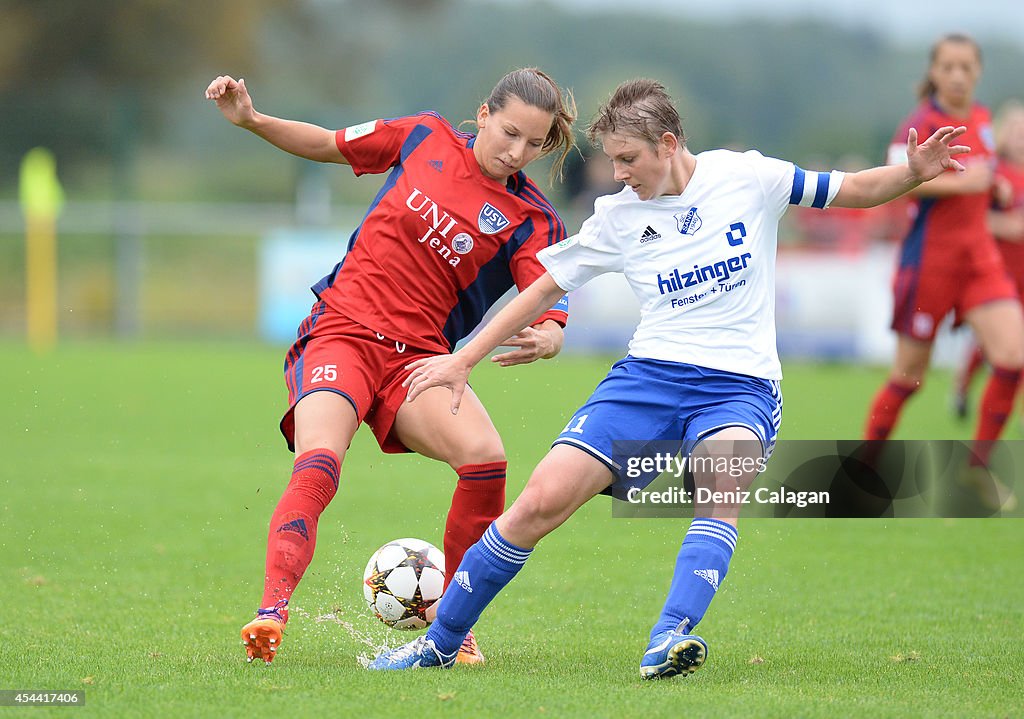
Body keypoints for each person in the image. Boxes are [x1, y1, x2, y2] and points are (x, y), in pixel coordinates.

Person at [364, 78, 970, 677]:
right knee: (538, 502)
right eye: (611, 162)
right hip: (647, 381)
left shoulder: (747, 177)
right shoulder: (619, 218)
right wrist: (463, 359)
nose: (618, 174)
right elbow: (544, 286)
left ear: (669, 143)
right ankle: (439, 644)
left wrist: (914, 172)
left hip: (741, 387)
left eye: (628, 160)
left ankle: (668, 638)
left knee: (719, 493)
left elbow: (854, 189)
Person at [204, 68, 577, 665]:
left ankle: (454, 630)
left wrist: (553, 336)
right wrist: (252, 120)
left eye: (535, 143)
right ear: (482, 113)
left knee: (486, 459)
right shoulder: (422, 137)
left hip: (421, 362)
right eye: (509, 132)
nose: (517, 152)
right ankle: (272, 611)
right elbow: (327, 144)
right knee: (320, 460)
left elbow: (548, 296)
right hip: (342, 333)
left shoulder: (531, 217)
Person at [862, 34, 1023, 512]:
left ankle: (975, 470)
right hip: (929, 264)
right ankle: (865, 466)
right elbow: (893, 184)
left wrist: (991, 188)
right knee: (909, 377)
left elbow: (983, 173)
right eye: (948, 66)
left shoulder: (982, 118)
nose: (957, 75)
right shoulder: (919, 124)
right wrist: (962, 182)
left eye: (966, 67)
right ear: (934, 72)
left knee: (1013, 358)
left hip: (980, 261)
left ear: (977, 72)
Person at [953, 102, 1024, 444]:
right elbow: (973, 218)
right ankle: (963, 387)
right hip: (998, 275)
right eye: (1016, 132)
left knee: (1013, 351)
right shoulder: (994, 173)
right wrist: (1005, 225)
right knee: (992, 347)